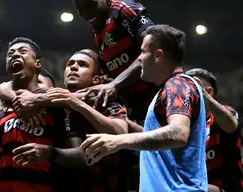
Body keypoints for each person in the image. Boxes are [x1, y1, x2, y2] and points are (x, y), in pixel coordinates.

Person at [81, 25, 208, 191]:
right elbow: (165, 144)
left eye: (142, 52)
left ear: (158, 55)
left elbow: (178, 133)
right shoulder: (171, 88)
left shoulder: (177, 84)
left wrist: (118, 141)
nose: (139, 59)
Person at [0, 37, 86, 192]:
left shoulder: (58, 104)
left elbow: (81, 157)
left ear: (37, 63)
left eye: (22, 51)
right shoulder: (3, 107)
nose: (15, 55)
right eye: (10, 53)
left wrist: (48, 152)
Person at [13, 49, 132, 191]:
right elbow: (8, 88)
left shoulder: (108, 104)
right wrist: (25, 103)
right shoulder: (52, 101)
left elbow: (121, 134)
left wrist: (78, 104)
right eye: (70, 64)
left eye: (82, 65)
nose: (73, 67)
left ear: (97, 79)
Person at [71, 0, 157, 122]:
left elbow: (154, 48)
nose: (87, 14)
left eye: (91, 5)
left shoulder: (124, 10)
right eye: (81, 10)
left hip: (159, 96)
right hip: (138, 108)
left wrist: (114, 84)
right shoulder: (98, 32)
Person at [186, 68, 243, 192]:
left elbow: (230, 125)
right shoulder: (184, 125)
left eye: (189, 90)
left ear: (208, 92)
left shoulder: (226, 113)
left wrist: (203, 96)